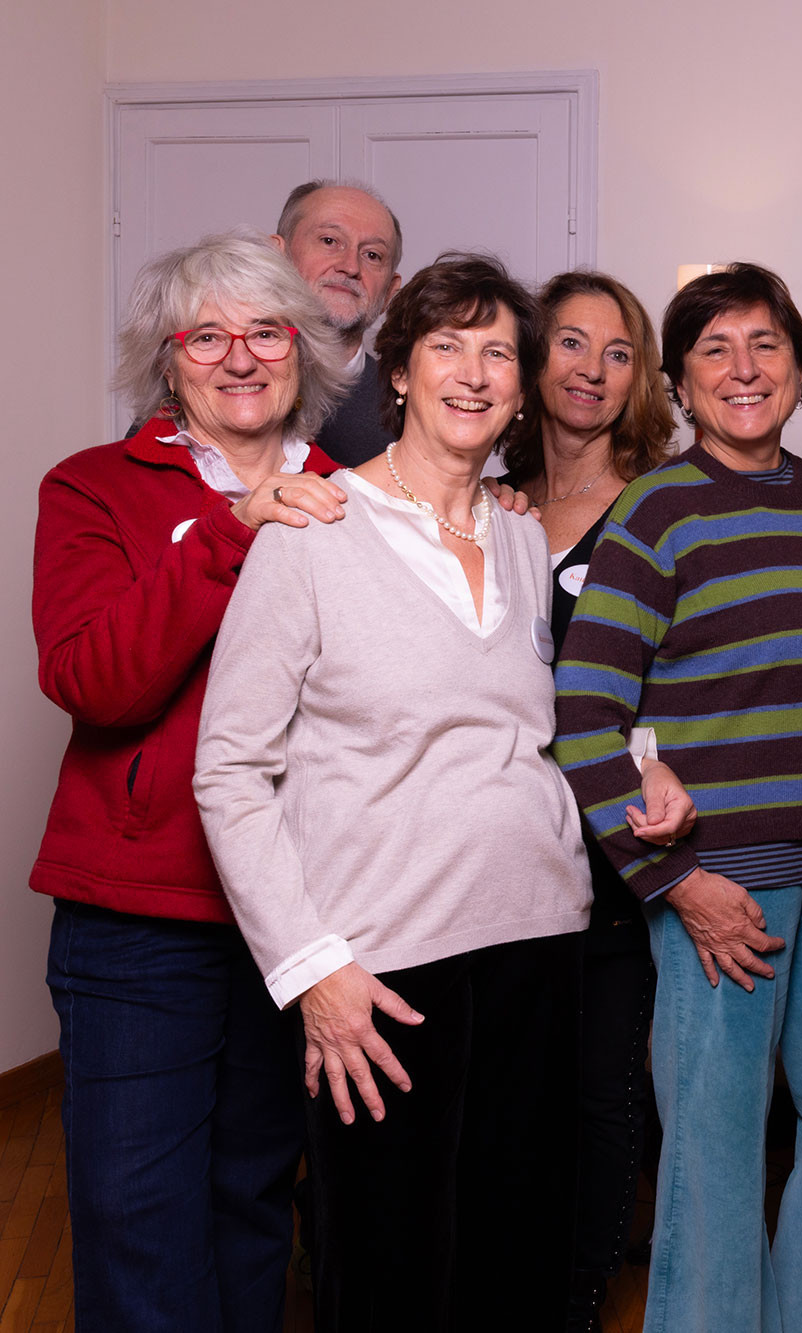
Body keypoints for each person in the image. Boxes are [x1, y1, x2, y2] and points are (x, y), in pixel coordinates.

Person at [195, 253, 593, 1331]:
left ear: (521, 388)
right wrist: (310, 967)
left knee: (520, 1269)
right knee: (389, 1273)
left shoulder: (522, 536)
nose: (474, 372)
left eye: (498, 352)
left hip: (538, 942)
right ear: (402, 372)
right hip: (381, 970)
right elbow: (228, 768)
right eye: (446, 347)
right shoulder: (315, 530)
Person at [554, 263, 802, 1333]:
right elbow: (584, 713)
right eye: (714, 350)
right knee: (713, 1161)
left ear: (801, 369)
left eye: (765, 344)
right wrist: (675, 882)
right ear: (680, 384)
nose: (744, 369)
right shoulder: (653, 511)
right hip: (722, 894)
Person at [31, 229, 351, 1332]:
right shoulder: (92, 488)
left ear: (304, 349)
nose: (241, 356)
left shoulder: (361, 500)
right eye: (206, 337)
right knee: (134, 1213)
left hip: (295, 915)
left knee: (252, 1202)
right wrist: (229, 532)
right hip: (139, 918)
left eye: (267, 331)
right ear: (168, 362)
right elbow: (94, 681)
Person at [497, 268, 689, 1331]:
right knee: (509, 1078)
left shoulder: (660, 504)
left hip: (611, 839)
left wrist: (649, 763)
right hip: (493, 844)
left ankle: (576, 1296)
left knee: (603, 1085)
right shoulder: (485, 498)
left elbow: (680, 676)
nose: (592, 370)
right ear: (534, 356)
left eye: (619, 353)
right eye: (571, 343)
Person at [269, 179, 405, 465]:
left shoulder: (413, 418)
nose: (350, 266)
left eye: (372, 255)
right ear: (276, 257)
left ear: (389, 293)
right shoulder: (211, 385)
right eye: (329, 241)